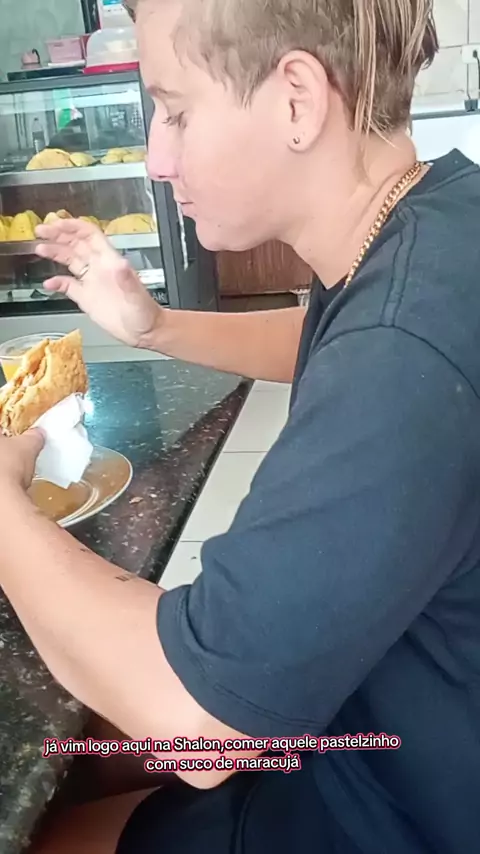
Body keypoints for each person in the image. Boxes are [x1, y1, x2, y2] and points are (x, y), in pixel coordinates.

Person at [1, 0, 479, 851]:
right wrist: (157, 327)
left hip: (389, 805)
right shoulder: (436, 226)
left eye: (176, 111)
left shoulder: (400, 348)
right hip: (368, 715)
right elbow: (333, 341)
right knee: (68, 748)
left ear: (297, 99)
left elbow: (198, 726)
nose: (156, 158)